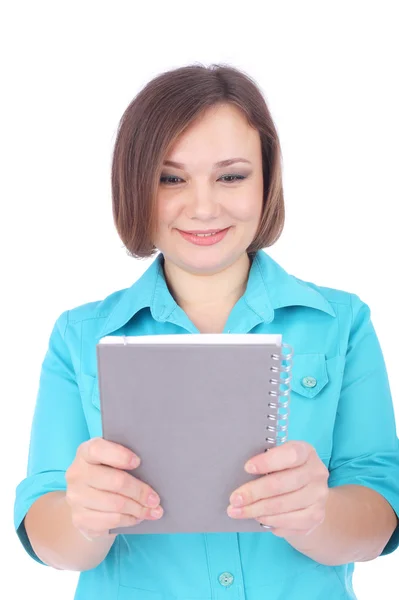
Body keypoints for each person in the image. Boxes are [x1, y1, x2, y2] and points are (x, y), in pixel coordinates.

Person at [14, 63, 399, 600]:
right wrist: (83, 517)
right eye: (171, 178)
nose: (203, 207)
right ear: (134, 186)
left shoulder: (342, 323)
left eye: (232, 175)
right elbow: (45, 531)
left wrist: (318, 514)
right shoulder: (79, 335)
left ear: (267, 180)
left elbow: (382, 515)